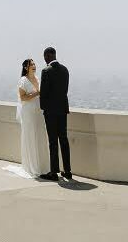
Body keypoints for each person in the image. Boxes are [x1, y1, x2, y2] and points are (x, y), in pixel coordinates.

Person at [3, 59, 50, 178]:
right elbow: (23, 97)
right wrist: (37, 93)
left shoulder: (38, 79)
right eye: (31, 65)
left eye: (34, 64)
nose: (34, 66)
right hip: (28, 112)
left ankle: (43, 166)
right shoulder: (23, 80)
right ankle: (32, 166)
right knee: (30, 136)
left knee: (40, 135)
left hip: (38, 111)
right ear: (26, 68)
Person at [39, 47, 72, 181]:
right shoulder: (65, 70)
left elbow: (44, 93)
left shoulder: (46, 71)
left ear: (47, 56)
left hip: (51, 112)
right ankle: (68, 171)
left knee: (53, 141)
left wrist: (44, 108)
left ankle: (54, 172)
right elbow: (64, 91)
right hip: (62, 110)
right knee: (63, 140)